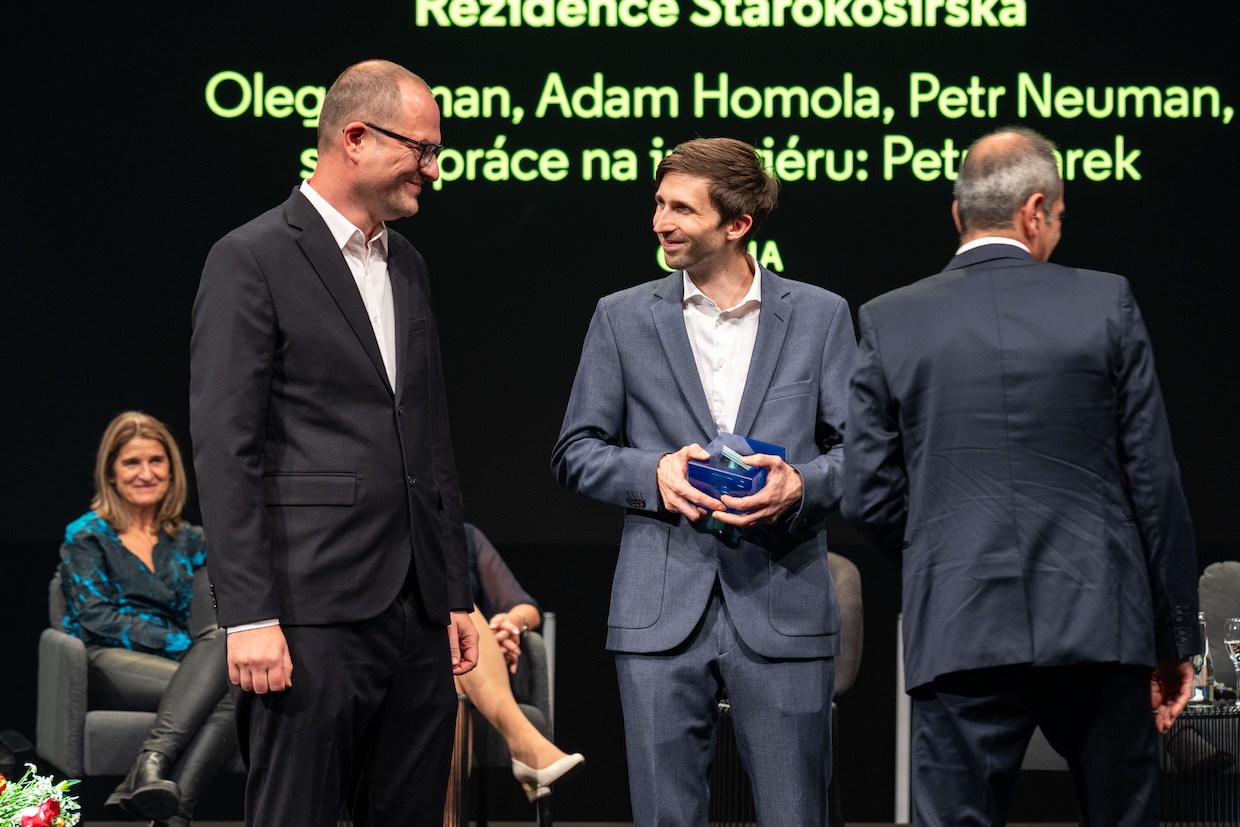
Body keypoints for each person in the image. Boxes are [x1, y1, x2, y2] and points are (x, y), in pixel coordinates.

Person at [841, 126, 1199, 826]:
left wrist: (946, 555)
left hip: (960, 624)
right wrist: (1173, 634)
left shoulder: (890, 319)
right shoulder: (1107, 301)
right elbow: (1155, 483)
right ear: (1036, 211)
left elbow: (867, 495)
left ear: (958, 214)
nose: (1056, 229)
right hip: (1101, 625)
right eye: (1059, 217)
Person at [189, 59, 479, 827]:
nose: (433, 169)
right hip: (308, 611)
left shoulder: (408, 265)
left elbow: (430, 440)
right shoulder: (252, 256)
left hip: (416, 613)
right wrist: (248, 614)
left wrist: (453, 593)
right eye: (421, 149)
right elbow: (226, 447)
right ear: (355, 137)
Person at [552, 137, 857, 826]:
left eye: (681, 208)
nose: (659, 221)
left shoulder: (821, 315)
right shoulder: (621, 316)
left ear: (738, 223)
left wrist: (799, 485)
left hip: (782, 607)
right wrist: (653, 471)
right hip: (659, 611)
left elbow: (861, 454)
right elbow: (575, 451)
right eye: (659, 203)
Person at [58, 411, 234, 827]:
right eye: (132, 462)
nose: (146, 473)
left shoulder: (190, 540)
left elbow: (214, 609)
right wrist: (188, 647)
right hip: (109, 661)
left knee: (236, 678)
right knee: (225, 669)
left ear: (171, 470)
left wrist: (199, 650)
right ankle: (160, 788)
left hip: (186, 662)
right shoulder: (87, 535)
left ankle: (163, 792)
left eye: (156, 460)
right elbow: (98, 617)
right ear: (111, 473)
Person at [458, 523, 584, 801]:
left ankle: (446, 816)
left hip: (466, 672)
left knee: (460, 615)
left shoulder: (463, 536)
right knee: (448, 610)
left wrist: (510, 624)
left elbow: (526, 606)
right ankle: (525, 745)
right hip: (409, 665)